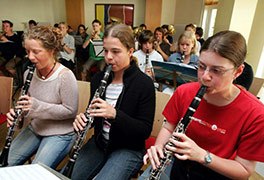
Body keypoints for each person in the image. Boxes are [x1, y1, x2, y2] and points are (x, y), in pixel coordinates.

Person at [142, 30, 264, 179]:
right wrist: (159, 146)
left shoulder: (256, 114)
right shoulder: (184, 92)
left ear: (238, 72)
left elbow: (244, 170)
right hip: (180, 168)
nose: (205, 77)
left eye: (217, 70)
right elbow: (169, 127)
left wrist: (202, 156)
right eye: (201, 66)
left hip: (219, 175)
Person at [71, 24, 156, 180]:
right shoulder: (98, 78)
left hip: (128, 149)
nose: (108, 57)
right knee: (70, 176)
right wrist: (83, 120)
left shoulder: (144, 84)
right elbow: (94, 113)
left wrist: (115, 114)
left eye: (116, 51)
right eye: (106, 51)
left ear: (130, 51)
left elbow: (144, 130)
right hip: (99, 143)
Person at [6, 26, 78, 169]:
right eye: (27, 51)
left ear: (51, 51)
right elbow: (27, 107)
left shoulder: (65, 76)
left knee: (35, 172)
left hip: (61, 133)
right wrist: (18, 116)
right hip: (36, 127)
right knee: (4, 164)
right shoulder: (28, 74)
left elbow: (70, 111)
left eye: (36, 52)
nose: (30, 57)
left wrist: (36, 106)